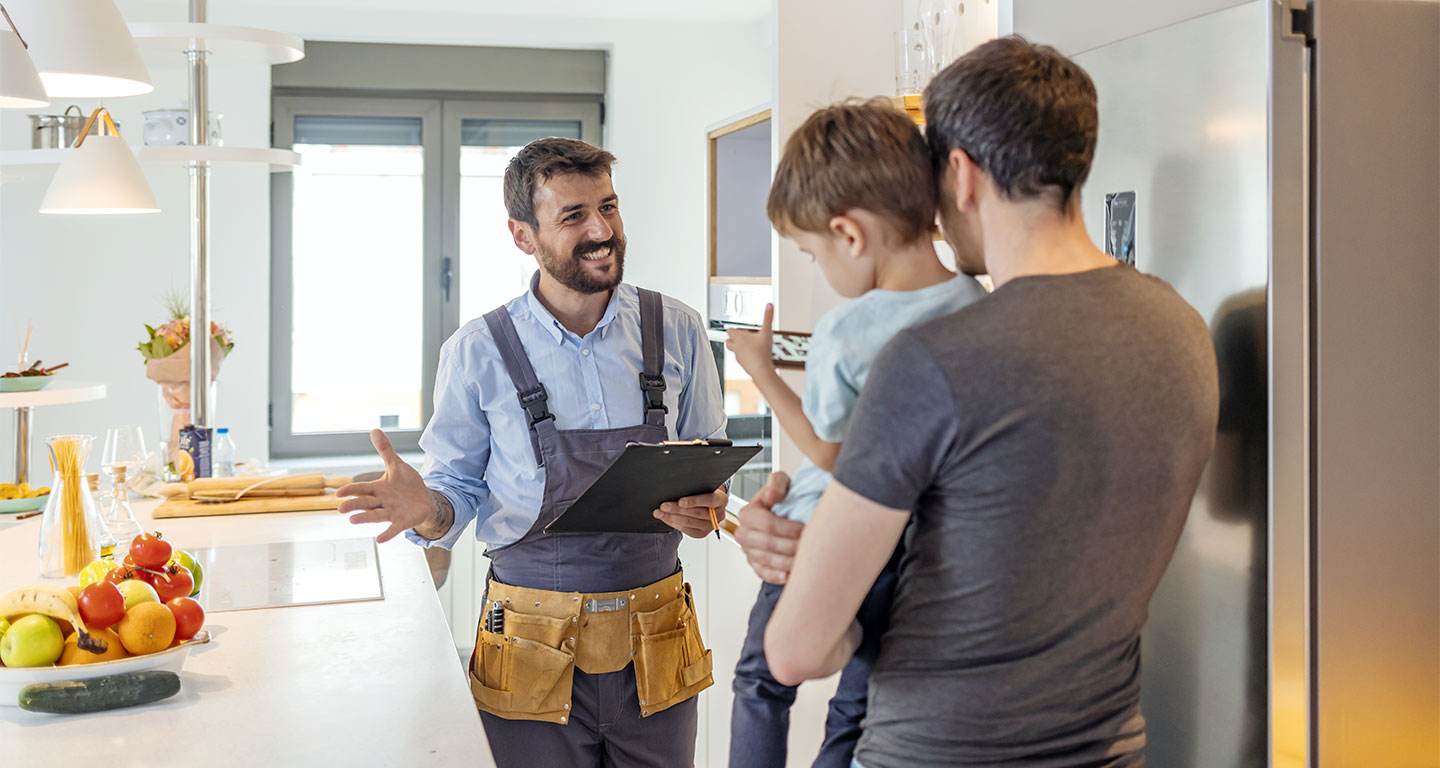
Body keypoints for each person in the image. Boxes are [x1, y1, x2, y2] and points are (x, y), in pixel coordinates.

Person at [735, 38, 1220, 767]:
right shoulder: (1181, 329)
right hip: (1108, 748)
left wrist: (796, 559)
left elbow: (801, 649)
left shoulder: (933, 363)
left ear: (960, 174)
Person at [338, 137, 729, 768]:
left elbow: (708, 469)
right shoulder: (477, 351)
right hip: (527, 647)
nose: (601, 230)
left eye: (609, 206)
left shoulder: (678, 328)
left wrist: (707, 506)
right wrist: (427, 512)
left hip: (658, 641)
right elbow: (456, 498)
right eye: (573, 216)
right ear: (523, 236)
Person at [724, 100, 986, 768]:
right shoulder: (978, 305)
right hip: (911, 554)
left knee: (761, 681)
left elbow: (835, 455)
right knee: (859, 702)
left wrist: (762, 372)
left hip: (824, 537)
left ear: (849, 234)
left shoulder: (846, 330)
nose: (819, 269)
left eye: (811, 255)